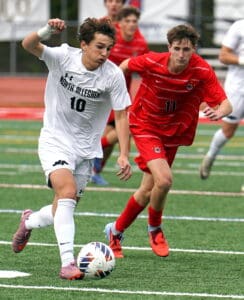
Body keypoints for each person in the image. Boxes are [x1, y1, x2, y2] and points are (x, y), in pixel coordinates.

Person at [11, 17, 132, 280]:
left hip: (86, 150)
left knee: (64, 206)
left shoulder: (113, 75)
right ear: (84, 45)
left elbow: (122, 115)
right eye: (99, 47)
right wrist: (46, 30)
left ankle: (29, 221)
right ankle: (68, 263)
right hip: (55, 140)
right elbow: (28, 44)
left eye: (109, 48)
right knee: (66, 191)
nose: (105, 53)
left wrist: (123, 153)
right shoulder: (64, 57)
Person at [104, 24, 232, 258]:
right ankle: (155, 228)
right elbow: (123, 66)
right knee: (164, 181)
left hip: (174, 133)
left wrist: (220, 112)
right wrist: (116, 93)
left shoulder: (201, 70)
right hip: (145, 126)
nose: (182, 54)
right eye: (177, 49)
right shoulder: (152, 61)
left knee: (146, 190)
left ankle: (115, 230)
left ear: (194, 49)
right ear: (169, 47)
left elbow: (226, 103)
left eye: (187, 49)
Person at [91, 5, 149, 185]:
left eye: (134, 21)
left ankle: (95, 168)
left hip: (120, 94)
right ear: (120, 24)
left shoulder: (140, 43)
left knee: (115, 133)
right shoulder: (109, 36)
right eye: (128, 21)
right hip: (100, 92)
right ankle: (92, 160)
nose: (132, 24)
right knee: (119, 131)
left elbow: (146, 68)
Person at [199, 19, 244, 189]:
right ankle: (210, 156)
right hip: (238, 88)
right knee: (228, 130)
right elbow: (223, 56)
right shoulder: (239, 26)